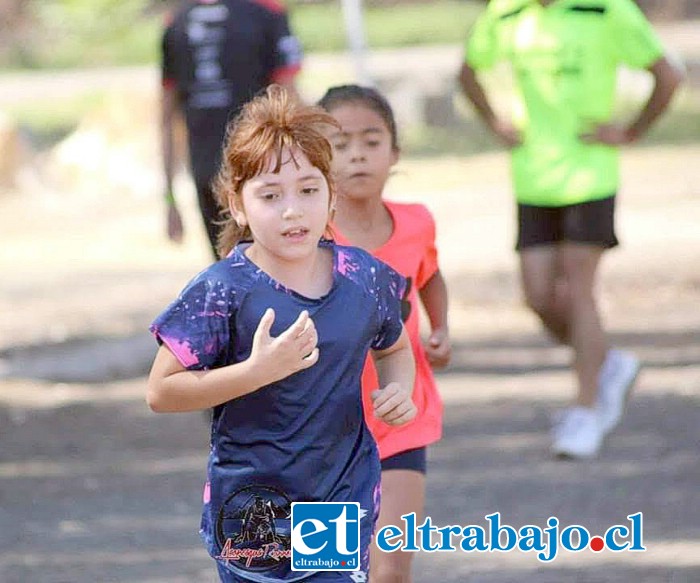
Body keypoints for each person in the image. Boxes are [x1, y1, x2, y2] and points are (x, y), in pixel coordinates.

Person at [147, 85, 417, 582]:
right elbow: (161, 392)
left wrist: (399, 387)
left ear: (332, 195)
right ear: (239, 203)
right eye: (271, 195)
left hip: (338, 496)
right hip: (253, 504)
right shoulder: (221, 290)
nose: (293, 210)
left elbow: (395, 348)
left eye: (309, 190)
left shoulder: (364, 277)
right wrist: (255, 372)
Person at [458, 0, 684, 458]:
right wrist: (494, 122)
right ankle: (607, 364)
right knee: (538, 295)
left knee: (579, 289)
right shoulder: (506, 14)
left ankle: (586, 411)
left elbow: (668, 75)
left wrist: (632, 131)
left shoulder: (606, 10)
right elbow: (467, 72)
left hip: (589, 173)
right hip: (533, 176)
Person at [319, 85, 451, 583]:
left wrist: (440, 328)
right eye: (340, 143)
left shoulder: (416, 222)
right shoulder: (309, 237)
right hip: (323, 434)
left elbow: (430, 274)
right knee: (331, 570)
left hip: (402, 420)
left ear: (394, 153)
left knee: (390, 568)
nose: (356, 154)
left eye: (371, 141)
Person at [160, 0, 303, 258]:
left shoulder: (176, 21)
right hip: (263, 169)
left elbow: (167, 117)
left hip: (207, 172)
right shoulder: (267, 13)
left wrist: (170, 198)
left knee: (229, 270)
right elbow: (288, 96)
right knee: (276, 272)